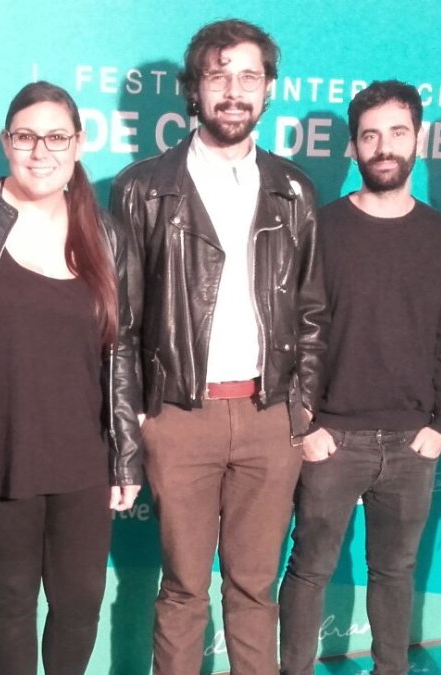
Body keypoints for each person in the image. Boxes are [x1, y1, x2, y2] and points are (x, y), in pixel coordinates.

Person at [110, 19, 324, 675]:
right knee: (181, 588)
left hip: (269, 419)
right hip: (181, 417)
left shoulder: (293, 190)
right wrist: (140, 419)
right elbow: (119, 324)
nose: (234, 91)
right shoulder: (143, 187)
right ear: (193, 89)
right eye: (219, 75)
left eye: (248, 76)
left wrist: (302, 406)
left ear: (267, 89)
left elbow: (312, 312)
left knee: (254, 587)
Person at [0, 81, 143, 675]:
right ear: (5, 143)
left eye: (55, 137)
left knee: (79, 603)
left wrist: (127, 457)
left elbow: (122, 352)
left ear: (79, 144)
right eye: (25, 136)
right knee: (11, 600)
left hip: (82, 455)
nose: (40, 151)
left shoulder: (108, 236)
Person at [276, 80, 441, 675]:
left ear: (419, 141)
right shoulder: (319, 229)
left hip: (414, 443)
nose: (384, 147)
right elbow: (285, 331)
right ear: (353, 150)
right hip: (331, 439)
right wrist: (302, 423)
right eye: (370, 136)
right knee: (308, 568)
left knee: (396, 572)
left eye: (397, 133)